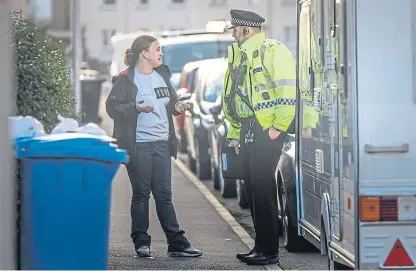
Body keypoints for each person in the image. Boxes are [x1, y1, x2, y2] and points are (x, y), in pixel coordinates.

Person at [106, 35, 202, 258]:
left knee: (164, 195)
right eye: (157, 49)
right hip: (139, 144)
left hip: (162, 144)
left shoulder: (162, 75)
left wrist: (179, 106)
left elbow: (171, 104)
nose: (161, 53)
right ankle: (141, 242)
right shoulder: (125, 79)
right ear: (144, 53)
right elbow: (112, 108)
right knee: (141, 194)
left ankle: (176, 243)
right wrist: (135, 108)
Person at [222, 10, 296, 265]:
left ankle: (269, 251)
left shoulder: (273, 49)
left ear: (245, 29)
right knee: (253, 189)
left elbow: (287, 91)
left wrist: (277, 128)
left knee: (264, 190)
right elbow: (231, 96)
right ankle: (260, 246)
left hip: (266, 130)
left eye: (235, 29)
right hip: (247, 128)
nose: (233, 34)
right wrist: (234, 133)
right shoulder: (239, 56)